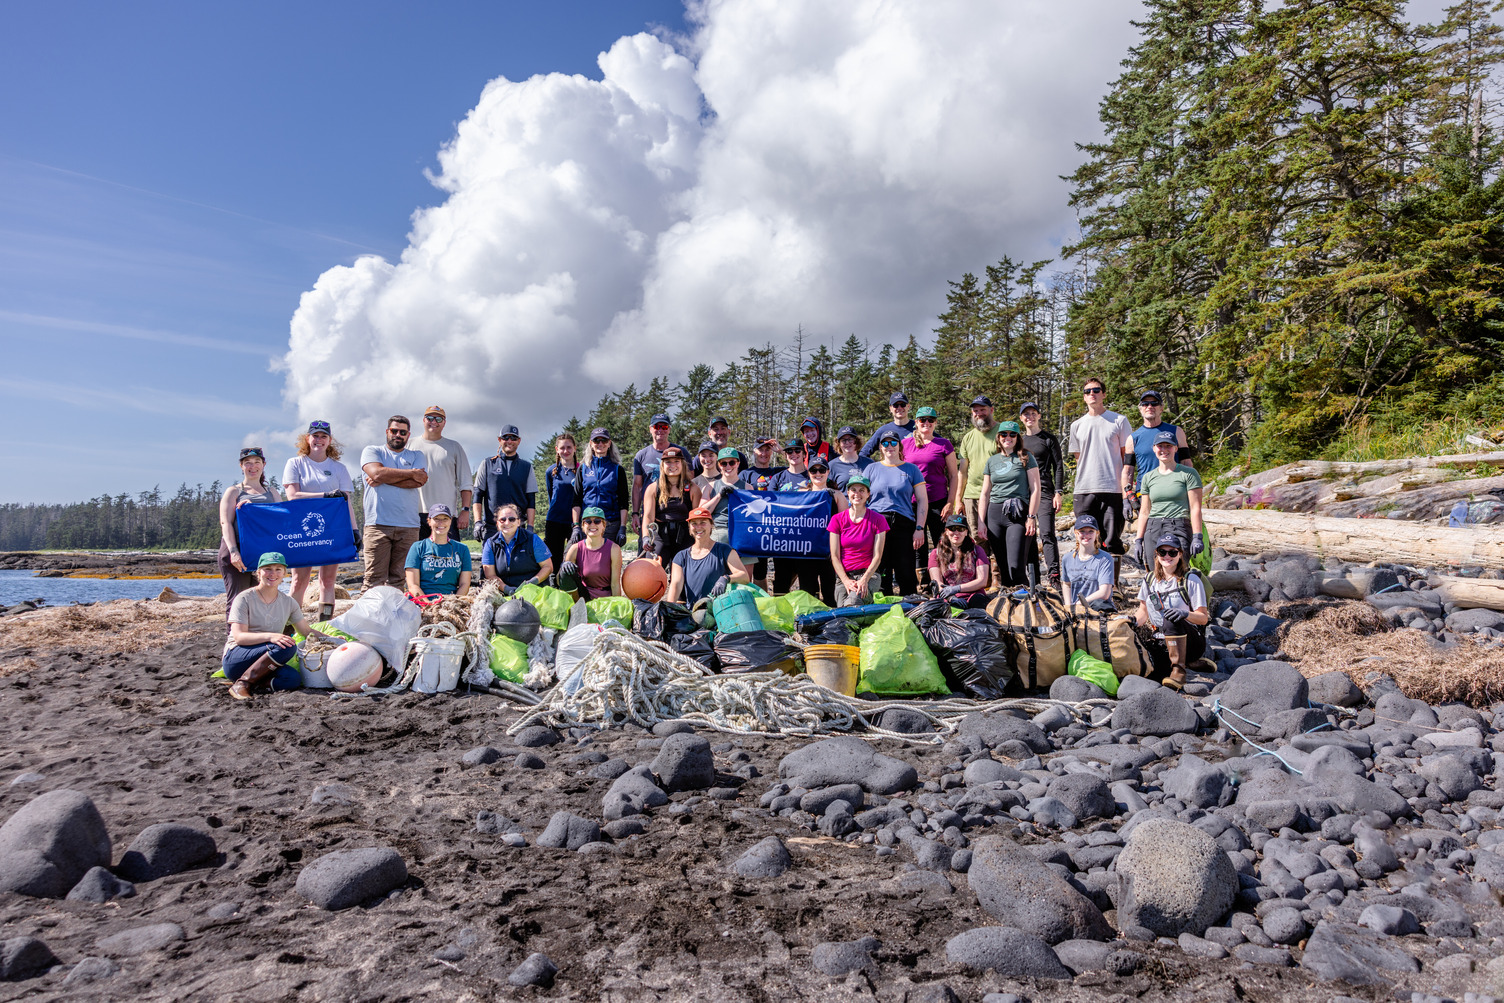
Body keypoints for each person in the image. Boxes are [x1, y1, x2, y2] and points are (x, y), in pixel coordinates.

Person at [224, 552, 337, 701]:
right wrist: (271, 636)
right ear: (258, 572)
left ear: (284, 573)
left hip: (267, 659)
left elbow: (306, 631)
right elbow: (239, 637)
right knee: (288, 646)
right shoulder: (244, 598)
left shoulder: (289, 603)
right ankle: (242, 684)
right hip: (236, 658)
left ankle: (255, 683)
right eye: (268, 569)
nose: (273, 574)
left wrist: (333, 640)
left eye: (278, 569)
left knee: (293, 679)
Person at [281, 421, 355, 620]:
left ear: (330, 441)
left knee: (328, 581)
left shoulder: (338, 468)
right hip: (302, 528)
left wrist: (354, 531)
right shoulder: (295, 463)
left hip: (332, 529)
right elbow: (292, 496)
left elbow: (345, 502)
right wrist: (326, 495)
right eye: (315, 436)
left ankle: (325, 623)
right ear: (307, 438)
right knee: (299, 580)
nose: (319, 440)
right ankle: (290, 624)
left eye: (323, 436)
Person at [360, 416, 429, 591]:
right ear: (387, 432)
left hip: (409, 527)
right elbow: (376, 473)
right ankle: (367, 618)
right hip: (377, 525)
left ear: (408, 435)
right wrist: (409, 473)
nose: (398, 435)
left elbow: (419, 480)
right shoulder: (372, 451)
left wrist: (383, 477)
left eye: (403, 432)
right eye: (394, 431)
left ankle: (394, 617)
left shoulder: (417, 455)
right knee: (373, 580)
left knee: (399, 580)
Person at [1068, 377, 1133, 559]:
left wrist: (1127, 488)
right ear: (1084, 397)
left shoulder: (1119, 421)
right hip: (1084, 490)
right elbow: (1079, 457)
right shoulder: (1076, 425)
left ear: (1103, 394)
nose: (1092, 394)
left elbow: (1126, 456)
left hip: (1112, 488)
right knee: (1086, 539)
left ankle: (1113, 584)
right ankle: (1090, 582)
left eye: (1096, 390)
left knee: (1111, 540)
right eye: (1087, 391)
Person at [1135, 533, 1209, 690]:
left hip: (1191, 641)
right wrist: (1130, 622)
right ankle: (1190, 663)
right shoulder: (1149, 580)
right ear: (1156, 554)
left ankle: (1179, 671)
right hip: (1161, 639)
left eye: (1172, 552)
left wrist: (1184, 614)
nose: (1167, 556)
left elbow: (1203, 618)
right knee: (1152, 674)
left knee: (1171, 618)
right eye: (1162, 552)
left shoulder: (1191, 580)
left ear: (1180, 554)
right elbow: (1142, 613)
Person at [218, 447, 284, 616]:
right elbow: (226, 523)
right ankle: (233, 640)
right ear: (241, 466)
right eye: (247, 463)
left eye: (257, 462)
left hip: (264, 553)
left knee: (262, 598)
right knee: (238, 599)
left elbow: (281, 521)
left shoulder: (273, 493)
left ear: (264, 465)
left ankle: (257, 640)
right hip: (237, 551)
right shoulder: (233, 491)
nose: (252, 466)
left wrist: (254, 508)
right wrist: (233, 552)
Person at [771, 448, 841, 604]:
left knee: (830, 593)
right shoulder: (802, 493)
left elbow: (844, 524)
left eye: (821, 470)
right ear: (809, 473)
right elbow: (792, 518)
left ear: (828, 472)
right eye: (814, 470)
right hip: (807, 551)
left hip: (828, 551)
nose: (818, 473)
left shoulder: (836, 494)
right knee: (809, 593)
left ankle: (833, 623)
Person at [977, 421, 1040, 588]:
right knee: (1003, 567)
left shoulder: (1026, 457)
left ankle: (1025, 603)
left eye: (1012, 434)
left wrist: (1031, 517)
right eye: (1003, 434)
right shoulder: (992, 461)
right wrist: (981, 521)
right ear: (998, 438)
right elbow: (985, 493)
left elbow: (1035, 489)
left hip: (1018, 513)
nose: (1008, 438)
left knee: (1016, 567)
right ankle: (1008, 606)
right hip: (994, 513)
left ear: (1018, 437)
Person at [1131, 429, 1204, 566]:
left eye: (1168, 446)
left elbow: (1195, 508)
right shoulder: (1148, 477)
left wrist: (1197, 536)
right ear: (1154, 449)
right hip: (1153, 527)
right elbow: (1145, 511)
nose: (1164, 450)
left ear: (1176, 448)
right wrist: (1138, 540)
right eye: (1160, 446)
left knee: (1178, 570)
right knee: (1155, 572)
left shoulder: (1188, 473)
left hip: (1179, 525)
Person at [866, 433, 927, 596]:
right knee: (881, 569)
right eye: (885, 443)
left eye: (893, 442)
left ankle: (909, 608)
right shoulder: (871, 469)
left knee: (905, 571)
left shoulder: (911, 469)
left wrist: (919, 527)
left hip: (903, 524)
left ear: (900, 445)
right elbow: (859, 497)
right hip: (877, 524)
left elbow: (922, 500)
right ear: (880, 447)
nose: (889, 446)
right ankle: (881, 608)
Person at [903, 406, 957, 574]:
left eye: (930, 420)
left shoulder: (944, 444)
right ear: (916, 422)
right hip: (912, 503)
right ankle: (923, 582)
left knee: (942, 543)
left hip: (938, 501)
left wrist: (950, 503)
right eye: (922, 420)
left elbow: (954, 476)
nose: (926, 423)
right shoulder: (905, 444)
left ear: (935, 423)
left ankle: (945, 578)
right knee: (918, 544)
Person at [1019, 402, 1066, 587]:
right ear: (1021, 418)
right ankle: (1033, 577)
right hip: (1024, 492)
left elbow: (1059, 466)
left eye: (1033, 413)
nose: (1030, 417)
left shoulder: (1048, 439)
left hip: (1046, 490)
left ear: (1039, 416)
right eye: (1026, 414)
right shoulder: (1019, 440)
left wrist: (1058, 492)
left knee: (1047, 532)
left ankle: (1054, 575)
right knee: (1027, 534)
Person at [667, 506, 750, 606]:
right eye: (694, 524)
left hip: (722, 611)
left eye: (703, 522)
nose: (698, 527)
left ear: (711, 525)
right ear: (689, 527)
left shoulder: (725, 550)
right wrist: (668, 608)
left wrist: (726, 578)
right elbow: (676, 585)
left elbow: (744, 576)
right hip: (694, 613)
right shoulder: (681, 557)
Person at [413, 405, 472, 542]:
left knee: (449, 560)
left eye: (439, 419)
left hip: (445, 515)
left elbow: (466, 482)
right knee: (416, 560)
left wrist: (465, 510)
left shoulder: (454, 447)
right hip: (415, 515)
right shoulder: (410, 445)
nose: (434, 422)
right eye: (430, 418)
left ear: (444, 423)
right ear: (423, 420)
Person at [828, 476, 887, 606]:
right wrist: (846, 580)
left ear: (868, 494)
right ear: (848, 493)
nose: (857, 494)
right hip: (844, 576)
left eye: (862, 490)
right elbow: (835, 556)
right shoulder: (837, 520)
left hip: (869, 575)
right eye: (853, 490)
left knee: (852, 603)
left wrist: (864, 579)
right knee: (841, 609)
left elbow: (877, 556)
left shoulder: (878, 520)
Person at [955, 396, 1003, 549]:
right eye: (975, 410)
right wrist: (958, 499)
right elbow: (962, 472)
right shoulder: (968, 438)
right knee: (977, 537)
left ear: (991, 410)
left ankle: (997, 572)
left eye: (983, 409)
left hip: (996, 494)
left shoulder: (1003, 433)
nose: (979, 413)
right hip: (972, 495)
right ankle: (983, 571)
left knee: (996, 535)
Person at [472, 425, 537, 539]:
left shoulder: (526, 467)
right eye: (506, 437)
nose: (509, 441)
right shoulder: (487, 464)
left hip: (518, 527)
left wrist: (530, 527)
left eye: (513, 438)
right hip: (492, 527)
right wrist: (477, 522)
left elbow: (531, 499)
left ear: (519, 441)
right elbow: (477, 495)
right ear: (499, 440)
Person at [1126, 390, 1194, 494]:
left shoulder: (1176, 432)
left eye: (1154, 403)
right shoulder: (1133, 438)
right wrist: (1126, 497)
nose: (1149, 406)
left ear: (1161, 408)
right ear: (1140, 409)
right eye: (1145, 404)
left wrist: (1190, 491)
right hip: (1144, 494)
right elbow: (1128, 471)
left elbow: (1186, 463)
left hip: (1173, 491)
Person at [641, 446, 699, 567]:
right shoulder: (653, 489)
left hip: (685, 535)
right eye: (668, 462)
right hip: (660, 535)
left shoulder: (693, 489)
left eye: (676, 461)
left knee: (684, 574)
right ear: (662, 465)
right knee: (651, 568)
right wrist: (646, 537)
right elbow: (648, 516)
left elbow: (697, 517)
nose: (672, 465)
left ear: (682, 464)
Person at [631, 413, 687, 535]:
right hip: (649, 512)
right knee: (647, 548)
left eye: (664, 427)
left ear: (669, 429)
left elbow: (690, 481)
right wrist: (635, 513)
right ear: (650, 429)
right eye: (657, 426)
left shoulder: (681, 452)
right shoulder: (641, 455)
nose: (660, 430)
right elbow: (637, 486)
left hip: (677, 513)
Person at [575, 428, 630, 545]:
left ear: (609, 443)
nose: (600, 444)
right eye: (596, 440)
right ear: (591, 443)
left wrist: (622, 528)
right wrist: (576, 526)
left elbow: (623, 502)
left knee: (608, 561)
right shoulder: (583, 468)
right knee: (575, 559)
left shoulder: (617, 469)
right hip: (588, 522)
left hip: (610, 523)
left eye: (604, 440)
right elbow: (576, 500)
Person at [481, 503, 554, 590]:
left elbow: (548, 567)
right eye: (502, 519)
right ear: (497, 523)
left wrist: (532, 583)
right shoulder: (490, 544)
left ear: (518, 522)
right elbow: (490, 575)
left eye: (512, 519)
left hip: (534, 590)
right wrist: (506, 588)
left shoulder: (533, 539)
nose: (507, 523)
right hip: (503, 593)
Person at [403, 505, 472, 597]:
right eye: (436, 519)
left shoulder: (462, 549)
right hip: (421, 603)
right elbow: (412, 585)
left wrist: (452, 604)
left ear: (451, 521)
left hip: (450, 603)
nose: (441, 523)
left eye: (445, 519)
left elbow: (465, 584)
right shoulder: (417, 547)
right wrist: (428, 606)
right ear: (429, 521)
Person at [928, 513, 992, 609]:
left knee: (979, 604)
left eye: (961, 529)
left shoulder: (977, 550)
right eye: (952, 529)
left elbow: (982, 581)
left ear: (966, 532)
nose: (956, 532)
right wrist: (950, 597)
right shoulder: (936, 553)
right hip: (948, 597)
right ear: (946, 531)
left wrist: (957, 588)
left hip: (974, 595)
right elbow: (937, 583)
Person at [559, 507, 623, 599]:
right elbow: (561, 580)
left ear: (603, 526)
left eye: (597, 521)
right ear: (583, 526)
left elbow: (615, 584)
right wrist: (563, 566)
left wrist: (617, 606)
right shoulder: (575, 548)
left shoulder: (614, 549)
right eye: (588, 521)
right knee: (565, 572)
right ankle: (574, 609)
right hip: (583, 597)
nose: (592, 524)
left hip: (605, 599)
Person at [542, 433, 581, 574]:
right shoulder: (551, 471)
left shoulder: (582, 470)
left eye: (569, 447)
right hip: (554, 520)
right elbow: (551, 496)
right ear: (556, 449)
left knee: (574, 559)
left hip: (575, 522)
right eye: (562, 448)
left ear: (575, 448)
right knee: (554, 559)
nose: (566, 451)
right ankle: (554, 587)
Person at [1061, 514, 1116, 611]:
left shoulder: (1105, 559)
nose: (1086, 535)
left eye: (1091, 531)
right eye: (1082, 531)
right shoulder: (1067, 558)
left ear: (1097, 533)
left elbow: (1104, 593)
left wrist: (1080, 604)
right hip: (1076, 612)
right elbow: (1066, 584)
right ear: (1076, 533)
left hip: (1099, 610)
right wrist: (1068, 607)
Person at [699, 447, 748, 545]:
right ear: (719, 465)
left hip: (741, 531)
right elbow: (702, 512)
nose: (728, 466)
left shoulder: (747, 487)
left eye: (732, 462)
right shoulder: (710, 486)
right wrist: (719, 496)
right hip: (719, 530)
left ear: (738, 463)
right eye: (724, 463)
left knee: (749, 560)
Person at [861, 392, 917, 456]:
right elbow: (864, 453)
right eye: (895, 405)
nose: (899, 408)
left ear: (908, 406)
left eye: (903, 404)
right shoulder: (884, 430)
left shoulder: (919, 427)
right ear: (890, 408)